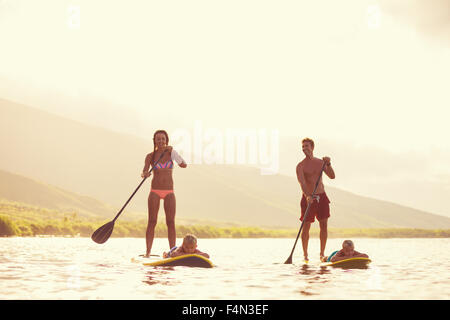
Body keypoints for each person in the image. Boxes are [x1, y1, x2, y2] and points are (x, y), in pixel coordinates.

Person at [142, 130, 187, 258]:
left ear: (166, 140)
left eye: (163, 139)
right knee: (152, 221)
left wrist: (175, 153)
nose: (160, 141)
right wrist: (145, 174)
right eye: (158, 139)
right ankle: (148, 253)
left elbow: (184, 165)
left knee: (170, 222)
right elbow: (144, 171)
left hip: (169, 192)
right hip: (154, 191)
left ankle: (172, 252)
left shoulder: (172, 153)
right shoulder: (150, 156)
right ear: (154, 141)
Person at [296, 137, 335, 262]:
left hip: (321, 196)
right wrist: (308, 196)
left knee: (323, 225)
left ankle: (322, 254)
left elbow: (332, 176)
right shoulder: (300, 166)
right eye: (303, 147)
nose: (304, 149)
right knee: (306, 226)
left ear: (312, 147)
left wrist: (328, 164)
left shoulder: (320, 162)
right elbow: (302, 183)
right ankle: (305, 255)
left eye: (306, 146)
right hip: (308, 198)